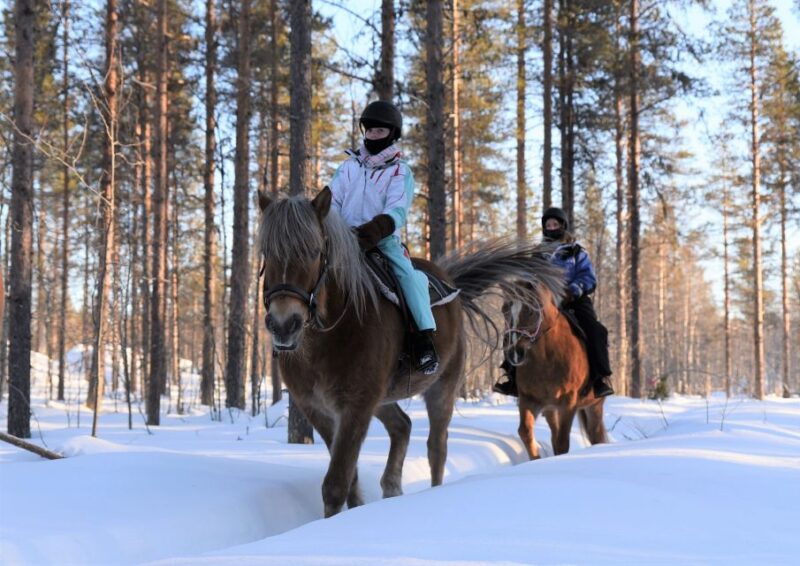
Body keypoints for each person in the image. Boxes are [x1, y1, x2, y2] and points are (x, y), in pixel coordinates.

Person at [328, 100, 439, 375]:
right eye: (370, 131)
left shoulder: (400, 171)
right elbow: (332, 201)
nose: (373, 135)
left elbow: (398, 207)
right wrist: (334, 229)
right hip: (343, 240)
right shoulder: (348, 168)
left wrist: (377, 228)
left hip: (382, 240)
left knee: (408, 278)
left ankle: (423, 340)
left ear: (392, 133)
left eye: (380, 131)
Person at [493, 207, 614, 398]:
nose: (551, 228)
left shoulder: (576, 252)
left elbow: (588, 277)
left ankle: (600, 378)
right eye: (547, 225)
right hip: (543, 302)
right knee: (516, 327)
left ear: (562, 226)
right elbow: (528, 277)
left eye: (554, 224)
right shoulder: (538, 253)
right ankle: (511, 377)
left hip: (573, 300)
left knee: (596, 329)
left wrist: (572, 291)